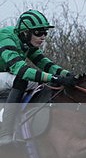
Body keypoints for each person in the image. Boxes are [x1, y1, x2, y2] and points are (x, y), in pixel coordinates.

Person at [0, 9, 77, 146]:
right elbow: (21, 70)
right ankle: (5, 133)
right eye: (38, 32)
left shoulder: (26, 41)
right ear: (25, 32)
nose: (43, 36)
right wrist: (54, 78)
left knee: (38, 84)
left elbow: (44, 63)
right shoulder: (6, 38)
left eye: (45, 32)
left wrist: (67, 75)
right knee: (22, 79)